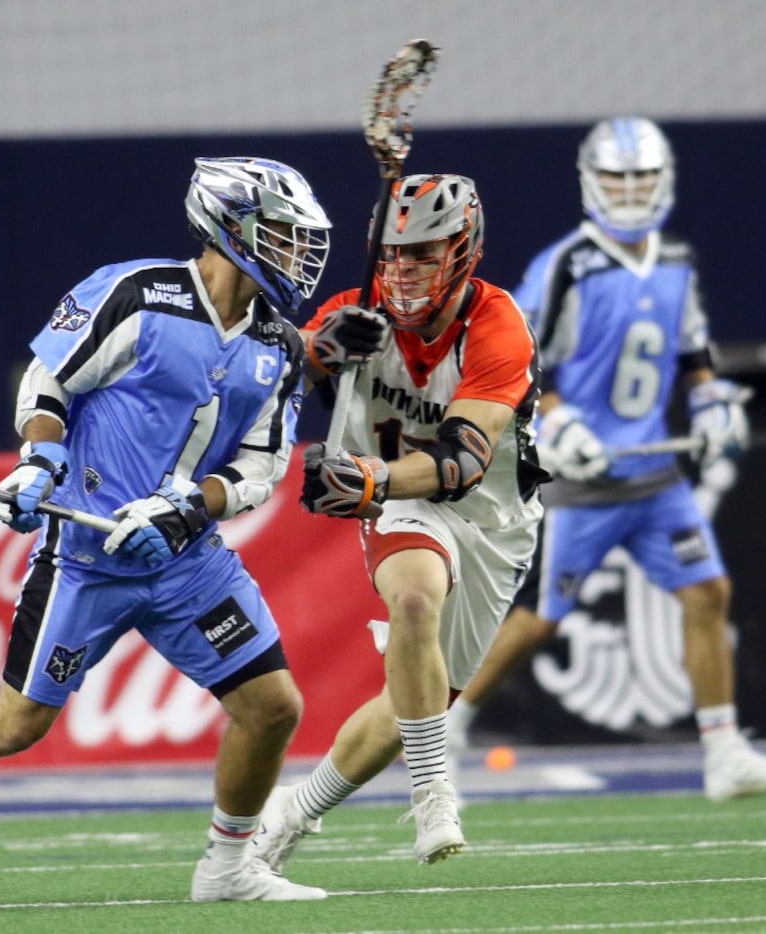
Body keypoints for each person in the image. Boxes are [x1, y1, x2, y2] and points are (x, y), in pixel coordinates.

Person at [0, 156, 336, 902]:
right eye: (279, 233)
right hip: (85, 560)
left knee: (273, 707)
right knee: (17, 723)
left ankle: (229, 869)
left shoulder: (279, 345)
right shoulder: (136, 293)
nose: (295, 253)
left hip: (187, 562)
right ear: (227, 223)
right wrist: (39, 462)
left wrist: (184, 510)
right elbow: (49, 380)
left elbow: (259, 467)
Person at [446, 116, 766, 802]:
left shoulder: (674, 261)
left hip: (653, 477)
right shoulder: (567, 265)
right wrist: (557, 421)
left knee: (708, 591)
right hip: (581, 480)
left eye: (642, 176)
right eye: (617, 177)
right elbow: (509, 356)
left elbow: (692, 352)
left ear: (663, 179)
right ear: (592, 182)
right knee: (534, 620)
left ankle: (724, 751)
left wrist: (711, 405)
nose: (631, 190)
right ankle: (447, 725)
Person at [252, 173, 548, 871]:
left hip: (490, 517)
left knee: (414, 702)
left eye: (420, 255)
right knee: (415, 594)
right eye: (391, 255)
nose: (402, 272)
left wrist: (372, 476)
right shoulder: (354, 310)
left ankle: (296, 810)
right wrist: (315, 350)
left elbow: (459, 462)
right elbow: (261, 375)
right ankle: (433, 790)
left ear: (463, 250)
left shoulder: (498, 324)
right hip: (400, 508)